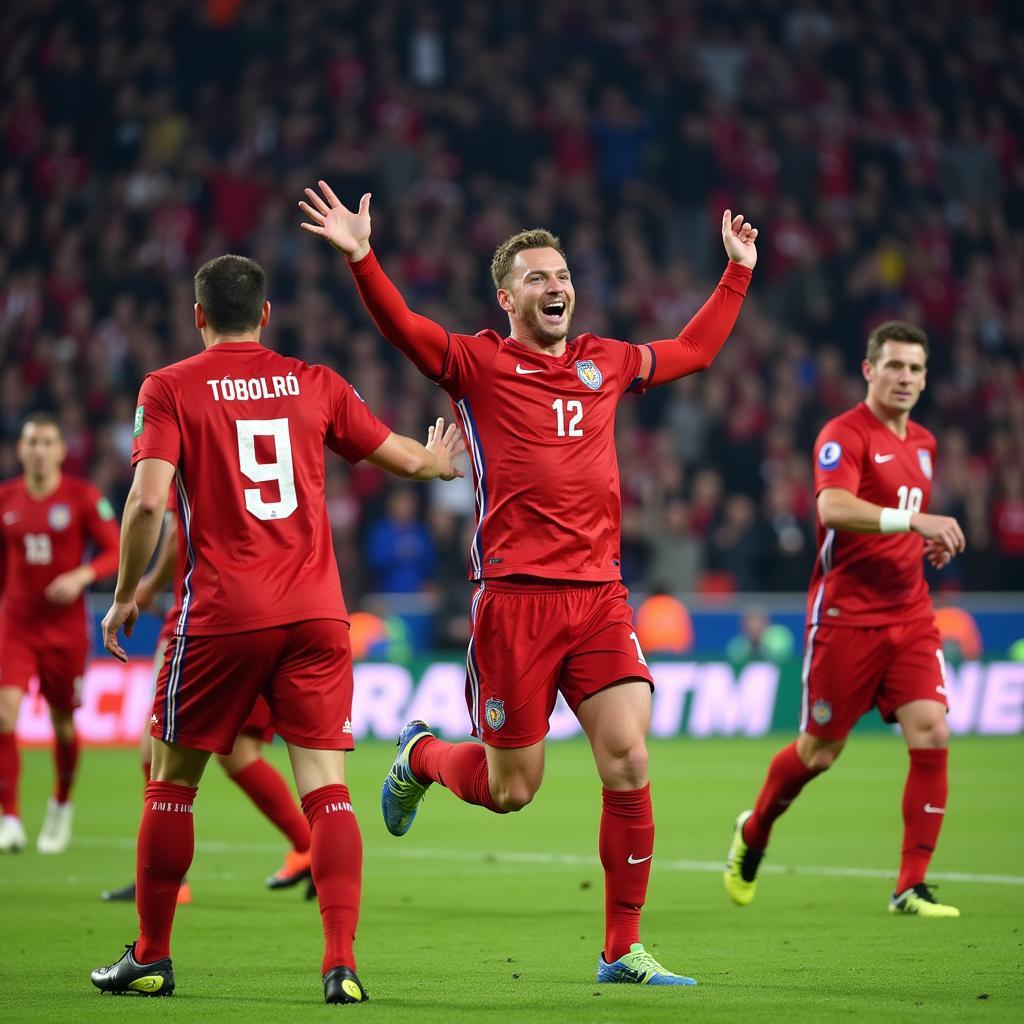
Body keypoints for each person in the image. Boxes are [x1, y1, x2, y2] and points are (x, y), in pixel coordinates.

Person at [299, 180, 757, 985]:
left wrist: (737, 273)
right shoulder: (476, 362)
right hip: (513, 601)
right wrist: (365, 259)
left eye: (565, 275)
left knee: (628, 758)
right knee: (513, 792)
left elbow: (696, 353)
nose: (559, 287)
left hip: (600, 596)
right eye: (540, 278)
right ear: (506, 296)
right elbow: (406, 332)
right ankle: (420, 755)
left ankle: (622, 949)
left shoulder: (606, 362)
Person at [90, 253, 463, 1003]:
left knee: (172, 784)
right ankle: (340, 965)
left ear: (198, 317)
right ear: (266, 314)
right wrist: (437, 463)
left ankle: (152, 956)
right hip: (320, 615)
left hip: (223, 615)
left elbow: (145, 504)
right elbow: (401, 457)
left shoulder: (168, 387)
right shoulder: (314, 381)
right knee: (327, 792)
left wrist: (127, 592)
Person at [723, 321, 966, 918]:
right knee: (819, 751)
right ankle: (754, 831)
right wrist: (914, 524)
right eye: (894, 366)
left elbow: (906, 520)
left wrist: (924, 544)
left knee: (932, 729)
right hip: (844, 618)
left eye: (915, 368)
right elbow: (832, 506)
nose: (904, 377)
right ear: (869, 370)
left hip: (909, 614)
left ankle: (910, 884)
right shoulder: (844, 435)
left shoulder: (926, 445)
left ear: (926, 376)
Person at [101, 491, 316, 905]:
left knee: (160, 747)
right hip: (275, 608)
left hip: (205, 615)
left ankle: (165, 877)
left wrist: (144, 585)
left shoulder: (192, 441)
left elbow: (170, 528)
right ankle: (309, 848)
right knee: (239, 751)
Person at [0, 412, 120, 854]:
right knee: (4, 716)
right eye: (31, 442)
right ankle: (9, 816)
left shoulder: (82, 498)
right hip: (16, 624)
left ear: (61, 450)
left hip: (65, 629)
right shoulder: (5, 498)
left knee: (64, 726)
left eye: (47, 442)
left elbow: (114, 550)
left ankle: (62, 804)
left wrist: (82, 575)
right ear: (20, 449)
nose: (38, 449)